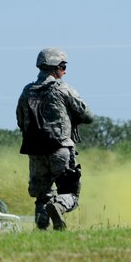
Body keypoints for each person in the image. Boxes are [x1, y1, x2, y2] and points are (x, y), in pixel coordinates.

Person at [16, 48, 94, 230]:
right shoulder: (63, 88)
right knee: (70, 193)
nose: (65, 71)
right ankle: (58, 207)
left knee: (42, 196)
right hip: (60, 150)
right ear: (55, 68)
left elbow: (20, 120)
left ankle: (42, 231)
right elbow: (87, 115)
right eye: (63, 67)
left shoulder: (26, 91)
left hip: (35, 152)